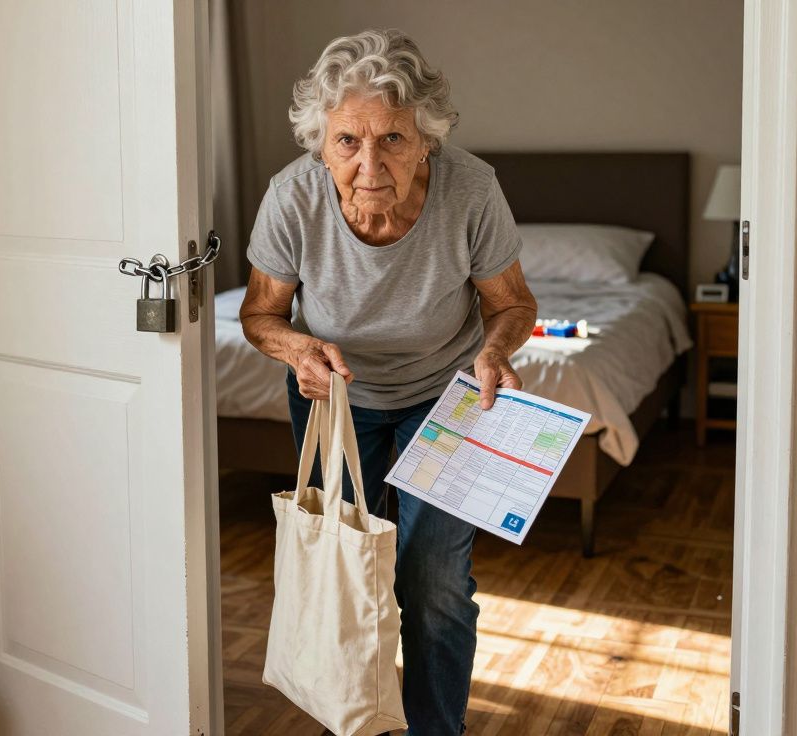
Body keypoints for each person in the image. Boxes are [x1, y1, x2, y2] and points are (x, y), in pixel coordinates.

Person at [240, 29, 538, 735]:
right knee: (343, 578)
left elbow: (513, 304)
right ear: (321, 142)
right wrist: (297, 350)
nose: (369, 164)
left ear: (426, 139)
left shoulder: (471, 190)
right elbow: (260, 314)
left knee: (434, 582)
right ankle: (355, 721)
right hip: (335, 395)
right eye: (347, 141)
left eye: (393, 141)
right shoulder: (293, 198)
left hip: (446, 394)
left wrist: (495, 351)